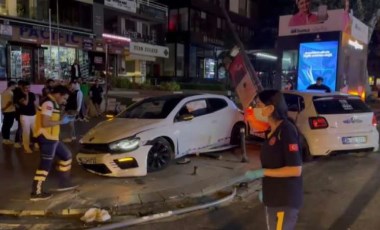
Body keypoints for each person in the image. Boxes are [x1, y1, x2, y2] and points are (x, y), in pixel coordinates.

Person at [245, 90, 303, 230]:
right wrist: (267, 190)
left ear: (270, 108)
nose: (255, 108)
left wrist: (263, 172)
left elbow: (295, 169)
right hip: (273, 198)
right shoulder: (271, 132)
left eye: (258, 104)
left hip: (284, 200)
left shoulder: (286, 131)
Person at [31, 85, 78, 201]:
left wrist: (64, 117)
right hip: (46, 138)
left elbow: (53, 118)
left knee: (66, 156)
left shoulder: (53, 103)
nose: (65, 101)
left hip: (53, 138)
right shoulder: (49, 104)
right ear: (58, 94)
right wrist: (61, 121)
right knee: (44, 166)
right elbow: (45, 123)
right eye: (64, 98)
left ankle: (63, 182)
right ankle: (36, 193)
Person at [13, 81, 38, 153]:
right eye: (26, 88)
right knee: (26, 132)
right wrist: (26, 95)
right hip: (24, 116)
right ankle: (26, 148)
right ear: (22, 88)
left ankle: (36, 144)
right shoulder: (19, 95)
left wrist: (38, 110)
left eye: (28, 87)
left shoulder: (32, 94)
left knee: (35, 131)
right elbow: (26, 103)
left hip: (33, 115)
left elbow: (34, 104)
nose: (27, 89)